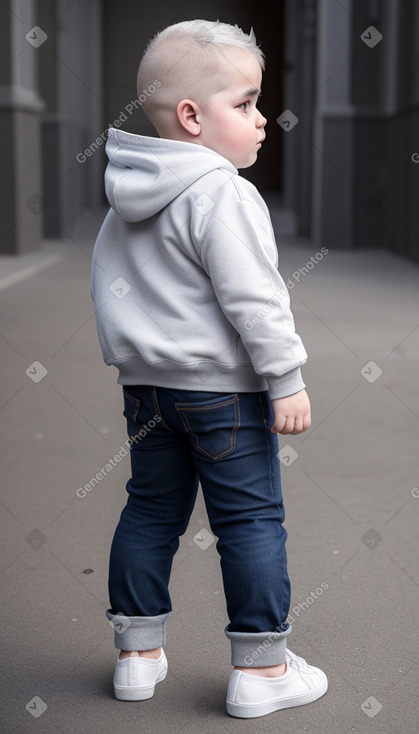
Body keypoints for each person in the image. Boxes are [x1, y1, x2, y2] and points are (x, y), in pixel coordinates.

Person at [90, 18, 328, 718]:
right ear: (192, 116)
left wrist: (133, 363)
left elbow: (109, 288)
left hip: (147, 392)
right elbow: (253, 297)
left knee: (149, 510)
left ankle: (136, 655)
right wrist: (285, 377)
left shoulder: (125, 190)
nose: (261, 121)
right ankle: (261, 668)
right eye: (246, 103)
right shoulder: (220, 190)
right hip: (223, 394)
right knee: (250, 521)